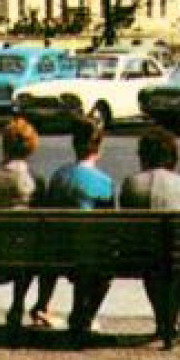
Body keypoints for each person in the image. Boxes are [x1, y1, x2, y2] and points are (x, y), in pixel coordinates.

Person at [119, 126, 180, 349]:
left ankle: (162, 321)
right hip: (177, 254)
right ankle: (172, 323)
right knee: (174, 263)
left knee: (151, 263)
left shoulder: (131, 183)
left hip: (140, 254)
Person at [39, 116, 116, 340]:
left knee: (67, 241)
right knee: (95, 251)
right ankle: (85, 315)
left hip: (55, 252)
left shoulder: (58, 177)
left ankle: (44, 306)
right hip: (87, 252)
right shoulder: (104, 182)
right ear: (99, 147)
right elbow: (109, 226)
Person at [0, 118, 43, 331]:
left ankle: (19, 306)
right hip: (26, 251)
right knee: (34, 241)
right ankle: (31, 305)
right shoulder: (34, 179)